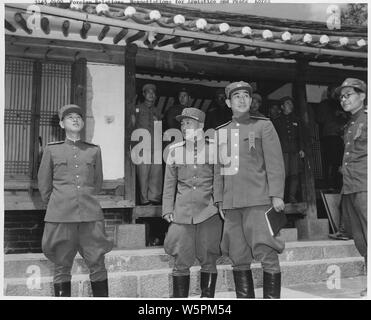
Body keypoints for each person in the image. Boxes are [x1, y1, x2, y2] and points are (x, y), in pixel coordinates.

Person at [214, 81, 285, 299]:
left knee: (267, 252)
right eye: (237, 97)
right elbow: (218, 169)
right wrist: (219, 200)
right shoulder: (221, 132)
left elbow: (275, 163)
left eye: (246, 95)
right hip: (232, 204)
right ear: (228, 102)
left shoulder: (264, 126)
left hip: (259, 200)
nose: (243, 100)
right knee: (238, 256)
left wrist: (276, 195)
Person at [38, 104, 113, 297]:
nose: (75, 119)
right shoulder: (51, 150)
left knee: (97, 264)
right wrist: (58, 205)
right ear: (62, 124)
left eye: (78, 117)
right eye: (69, 117)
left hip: (90, 216)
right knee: (62, 266)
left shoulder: (93, 151)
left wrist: (85, 200)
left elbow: (97, 182)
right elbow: (44, 185)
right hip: (61, 217)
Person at [162, 108, 223, 298]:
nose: (184, 126)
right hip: (182, 212)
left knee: (209, 258)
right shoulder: (174, 151)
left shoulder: (214, 148)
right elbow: (169, 183)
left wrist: (220, 204)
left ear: (201, 126)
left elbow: (219, 180)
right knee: (180, 260)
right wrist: (167, 209)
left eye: (189, 122)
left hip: (209, 211)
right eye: (182, 123)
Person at [335, 78, 367, 297]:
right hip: (350, 186)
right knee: (359, 238)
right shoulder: (350, 124)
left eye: (349, 95)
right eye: (342, 96)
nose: (344, 99)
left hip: (366, 185)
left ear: (362, 96)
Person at [134, 83, 163, 205]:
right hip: (142, 147)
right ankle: (144, 200)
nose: (151, 94)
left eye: (153, 92)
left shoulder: (158, 111)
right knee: (143, 174)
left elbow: (160, 129)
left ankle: (154, 198)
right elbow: (131, 126)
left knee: (155, 173)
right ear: (144, 94)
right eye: (148, 92)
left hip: (155, 146)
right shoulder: (137, 108)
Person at [273, 96, 305, 203]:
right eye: (287, 103)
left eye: (291, 103)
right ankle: (280, 196)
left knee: (295, 174)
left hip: (295, 150)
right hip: (282, 151)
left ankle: (292, 196)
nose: (290, 105)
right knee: (283, 174)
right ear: (282, 107)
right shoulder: (277, 121)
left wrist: (301, 149)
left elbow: (301, 135)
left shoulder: (297, 120)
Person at [317, 85, 348, 190]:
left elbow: (348, 118)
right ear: (329, 92)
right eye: (335, 91)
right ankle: (330, 184)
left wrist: (343, 115)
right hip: (330, 135)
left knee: (341, 161)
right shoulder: (324, 104)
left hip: (342, 136)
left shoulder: (342, 103)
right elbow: (320, 119)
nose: (337, 93)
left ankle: (339, 184)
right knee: (330, 161)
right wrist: (333, 114)